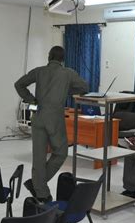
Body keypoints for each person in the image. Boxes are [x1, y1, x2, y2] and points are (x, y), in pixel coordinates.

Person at [14, 46, 88, 203]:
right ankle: (37, 185)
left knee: (38, 157)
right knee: (61, 153)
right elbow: (84, 87)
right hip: (54, 118)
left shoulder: (39, 71)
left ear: (49, 57)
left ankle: (40, 191)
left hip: (38, 117)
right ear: (62, 59)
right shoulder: (68, 73)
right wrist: (65, 90)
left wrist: (31, 99)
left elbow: (19, 84)